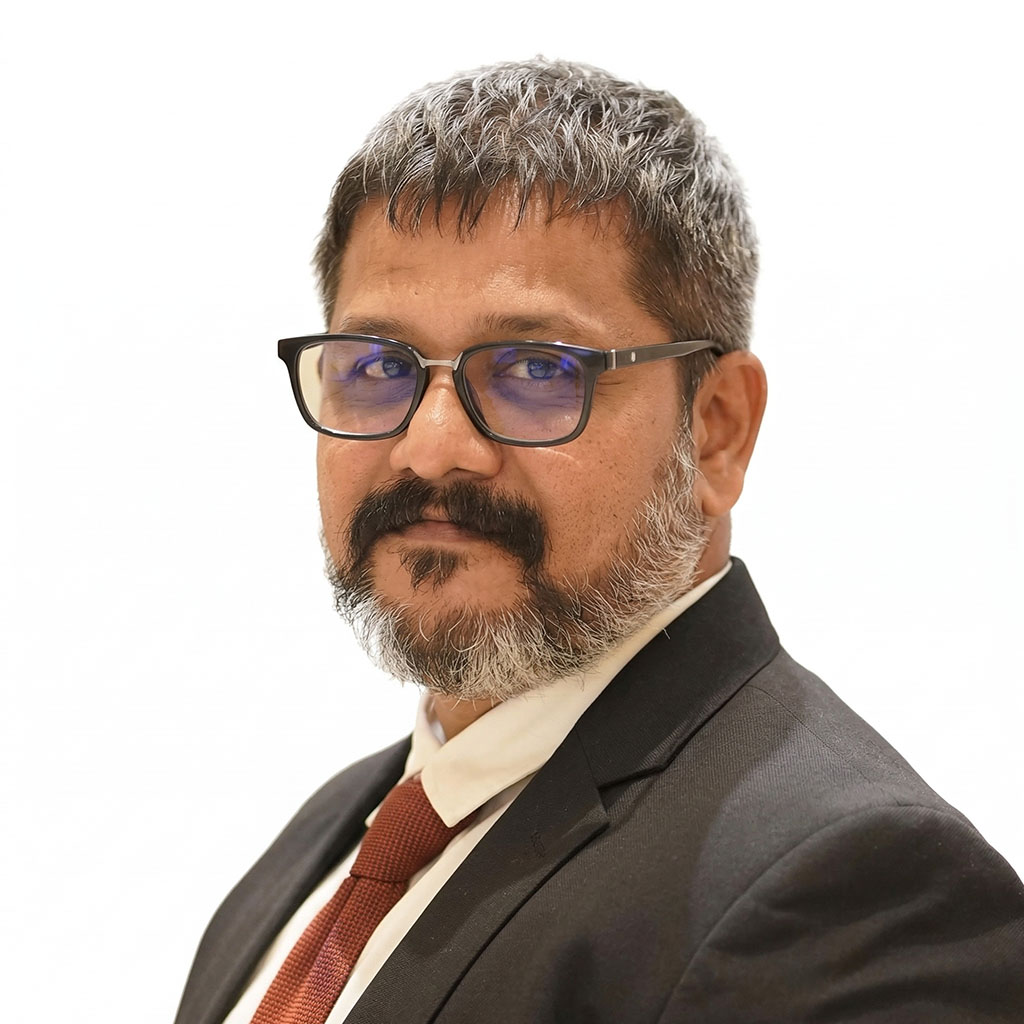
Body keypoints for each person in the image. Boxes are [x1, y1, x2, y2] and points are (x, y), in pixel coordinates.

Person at [175, 58, 1024, 1024]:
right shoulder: (331, 842)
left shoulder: (856, 895)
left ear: (717, 429)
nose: (432, 446)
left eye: (537, 368)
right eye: (376, 366)